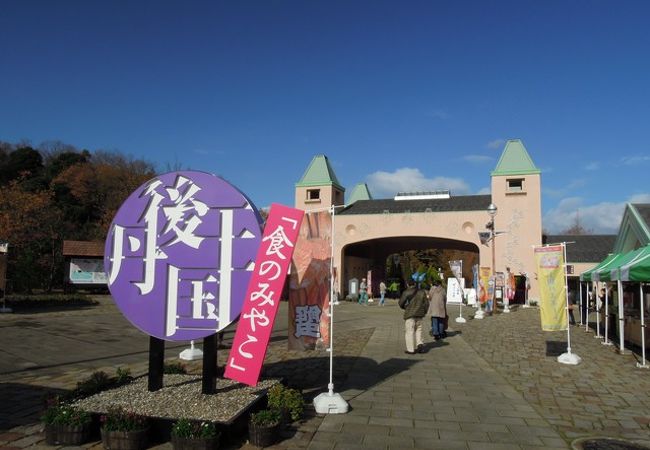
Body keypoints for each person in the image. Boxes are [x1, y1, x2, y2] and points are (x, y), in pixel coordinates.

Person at [399, 272, 429, 354]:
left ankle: (411, 349)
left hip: (410, 315)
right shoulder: (422, 292)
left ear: (408, 284)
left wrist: (405, 307)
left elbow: (400, 303)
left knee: (410, 332)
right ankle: (419, 344)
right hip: (419, 314)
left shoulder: (406, 292)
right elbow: (426, 303)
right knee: (419, 330)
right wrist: (424, 311)